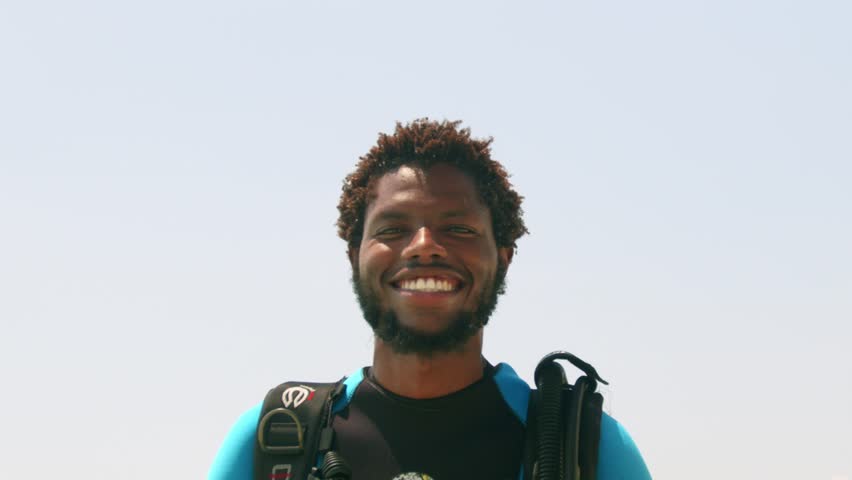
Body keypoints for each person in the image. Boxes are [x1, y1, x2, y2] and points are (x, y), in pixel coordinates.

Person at [208, 119, 652, 480]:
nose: (424, 246)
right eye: (391, 229)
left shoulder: (585, 449)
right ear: (353, 255)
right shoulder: (274, 442)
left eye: (458, 229)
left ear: (503, 258)